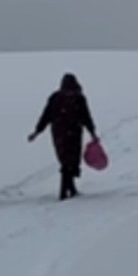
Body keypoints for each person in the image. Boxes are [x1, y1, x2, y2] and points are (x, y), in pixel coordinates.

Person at [28, 72, 100, 200]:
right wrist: (37, 131)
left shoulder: (77, 98)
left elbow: (86, 117)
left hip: (70, 133)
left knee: (71, 162)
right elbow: (46, 116)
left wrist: (92, 132)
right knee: (66, 162)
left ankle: (70, 189)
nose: (69, 93)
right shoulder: (58, 98)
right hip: (63, 134)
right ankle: (64, 193)